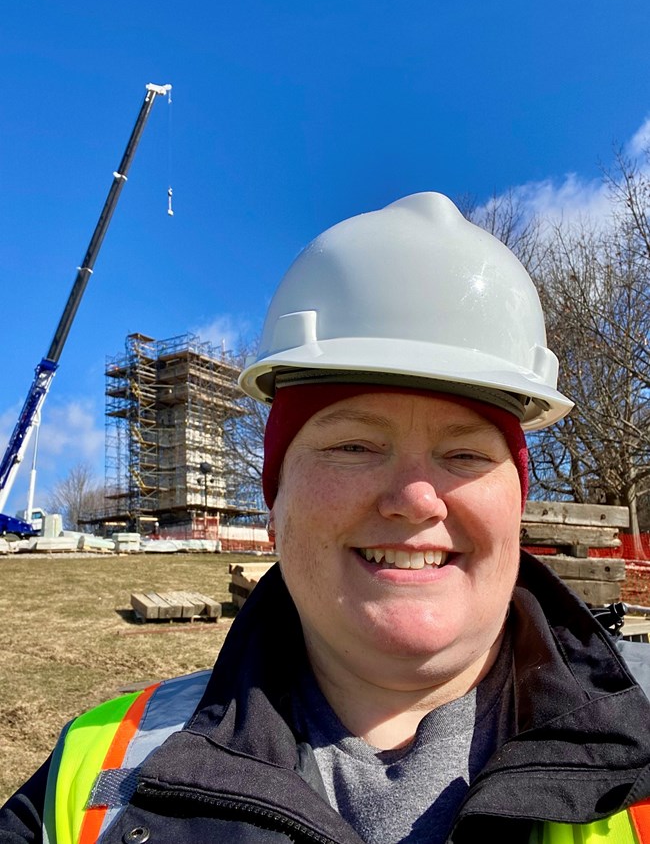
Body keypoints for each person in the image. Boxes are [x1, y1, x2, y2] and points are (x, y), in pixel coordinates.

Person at [2, 192, 650, 844]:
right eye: (353, 446)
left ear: (516, 506)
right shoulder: (101, 776)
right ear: (275, 505)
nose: (417, 497)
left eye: (464, 452)